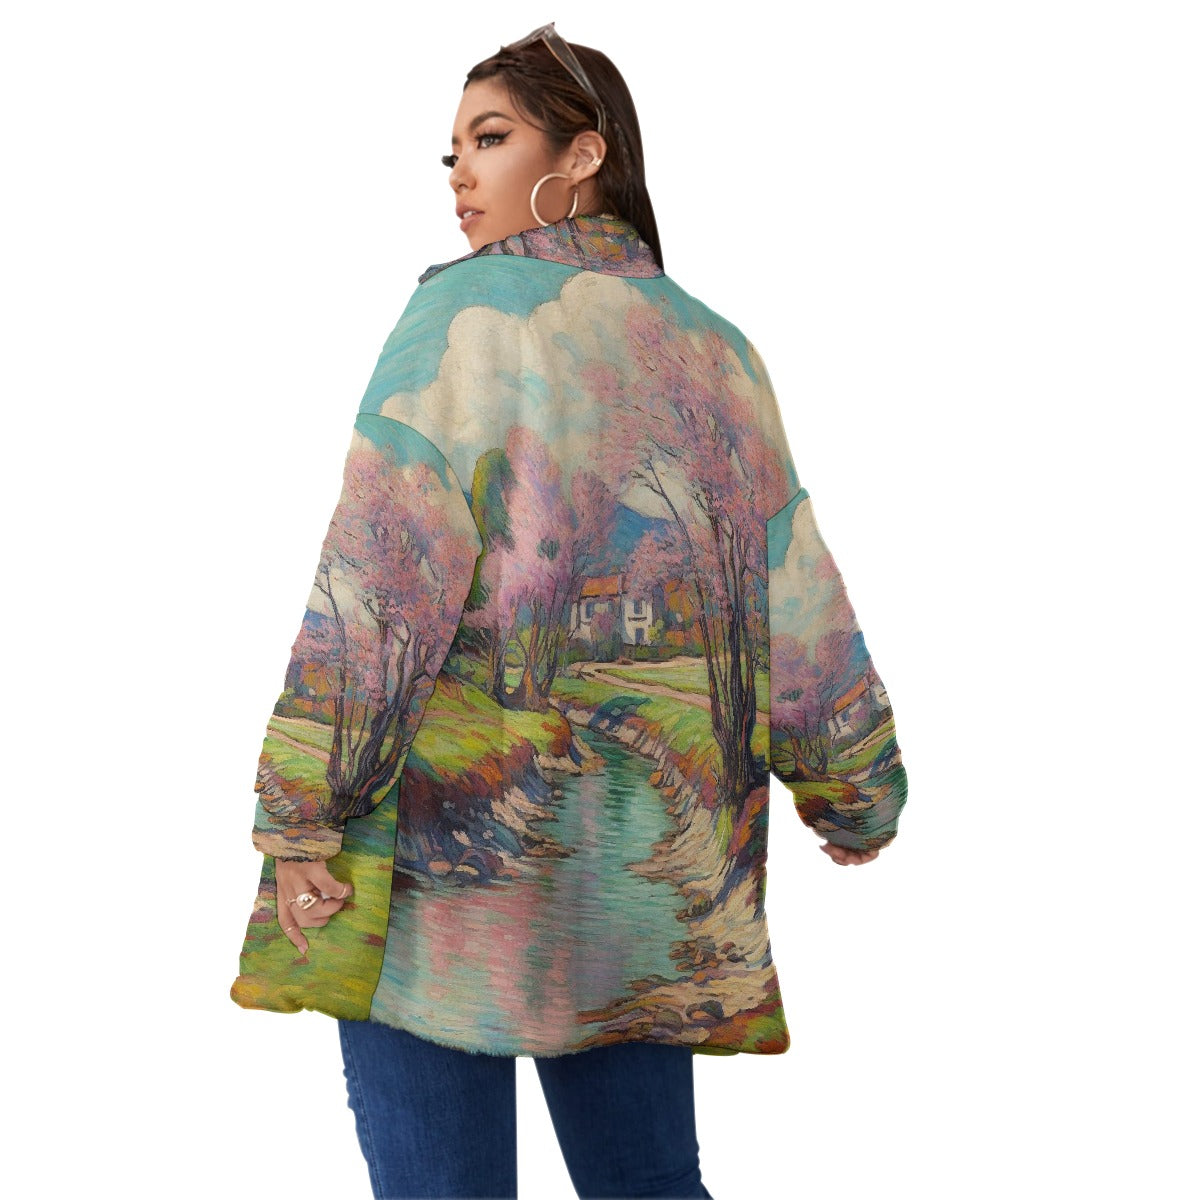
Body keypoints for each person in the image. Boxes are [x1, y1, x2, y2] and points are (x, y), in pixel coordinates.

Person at [230, 22, 908, 1200]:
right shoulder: (718, 349)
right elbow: (794, 587)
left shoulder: (457, 322)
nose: (460, 173)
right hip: (638, 890)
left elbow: (375, 585)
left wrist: (302, 815)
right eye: (451, 151)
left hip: (437, 877)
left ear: (584, 153)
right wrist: (854, 785)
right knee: (649, 1185)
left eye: (491, 138)